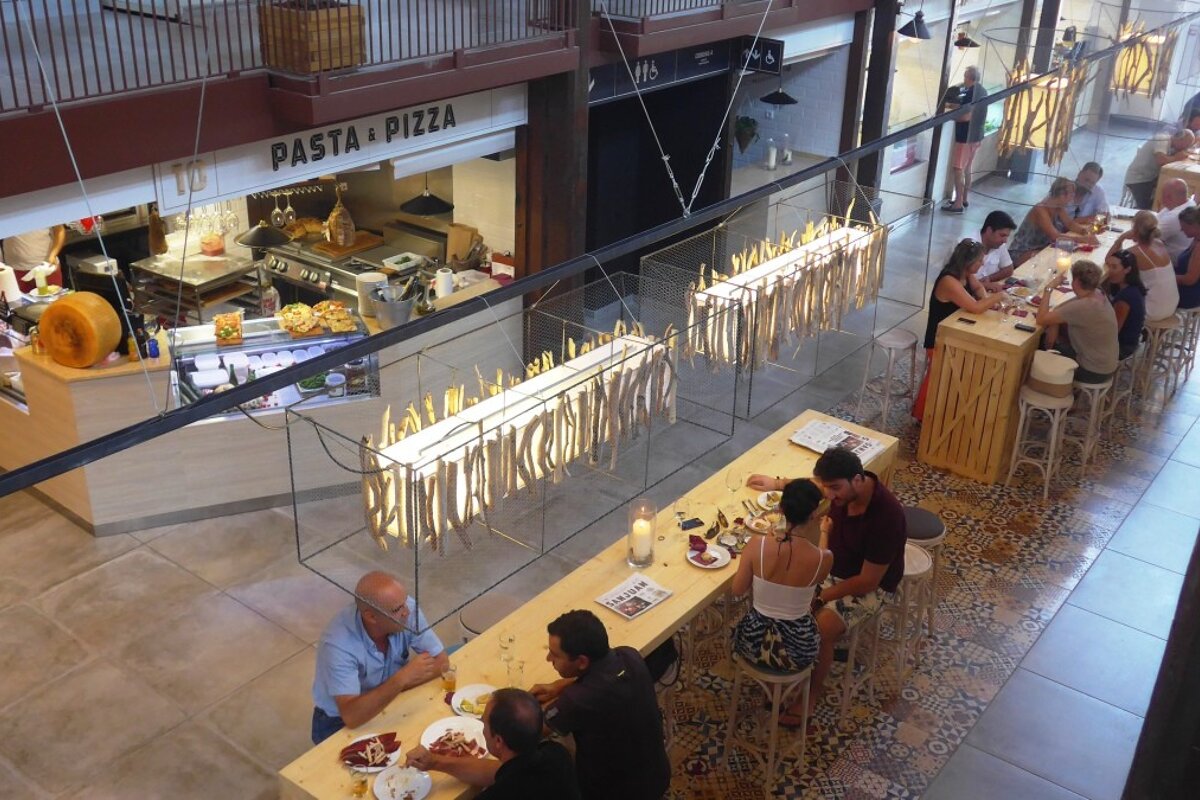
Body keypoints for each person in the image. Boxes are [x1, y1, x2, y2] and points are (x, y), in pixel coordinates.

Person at [747, 447, 907, 718]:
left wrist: (821, 597)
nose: (829, 496)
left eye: (834, 489)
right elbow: (816, 485)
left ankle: (810, 697)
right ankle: (785, 671)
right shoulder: (842, 486)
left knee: (820, 629)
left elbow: (868, 581)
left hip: (869, 586)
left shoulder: (886, 517)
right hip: (833, 568)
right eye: (827, 488)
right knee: (781, 604)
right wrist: (777, 483)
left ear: (857, 479)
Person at [531, 610, 670, 800]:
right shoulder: (629, 656)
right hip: (656, 775)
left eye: (555, 655)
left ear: (581, 661)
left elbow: (532, 733)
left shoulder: (577, 700)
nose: (548, 659)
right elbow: (603, 677)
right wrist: (557, 686)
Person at [730, 478, 833, 728]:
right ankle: (785, 692)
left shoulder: (758, 545)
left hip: (753, 643)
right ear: (813, 515)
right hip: (799, 648)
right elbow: (818, 575)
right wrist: (824, 534)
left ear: (780, 510)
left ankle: (767, 690)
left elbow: (737, 590)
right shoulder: (823, 558)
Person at [311, 571, 449, 744]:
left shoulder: (407, 610)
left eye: (405, 601)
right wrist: (401, 679)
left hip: (390, 699)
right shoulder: (338, 645)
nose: (407, 612)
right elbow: (351, 716)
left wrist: (395, 687)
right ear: (371, 616)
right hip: (338, 720)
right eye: (398, 609)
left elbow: (441, 662)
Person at [405, 689, 580, 799]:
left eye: (485, 724)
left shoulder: (500, 793)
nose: (482, 730)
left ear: (498, 741)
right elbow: (498, 771)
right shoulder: (556, 754)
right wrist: (434, 761)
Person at [912, 240, 1007, 421]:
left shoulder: (966, 274)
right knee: (943, 374)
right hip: (940, 340)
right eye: (980, 261)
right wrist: (998, 297)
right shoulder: (949, 280)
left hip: (957, 331)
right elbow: (975, 307)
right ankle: (925, 414)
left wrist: (985, 296)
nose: (983, 264)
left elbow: (978, 288)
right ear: (968, 261)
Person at [1036, 259, 1119, 382]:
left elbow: (1041, 319)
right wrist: (1054, 324)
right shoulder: (1097, 293)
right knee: (1051, 340)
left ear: (1076, 281)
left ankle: (1041, 388)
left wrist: (1048, 288)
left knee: (1038, 346)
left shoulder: (1084, 306)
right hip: (1106, 364)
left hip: (1092, 371)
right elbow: (1060, 310)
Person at [1008, 177, 1100, 265]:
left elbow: (1070, 224)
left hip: (1042, 248)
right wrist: (1083, 240)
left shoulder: (1058, 208)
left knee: (1067, 254)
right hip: (1022, 252)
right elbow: (1055, 236)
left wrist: (1086, 232)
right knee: (1055, 258)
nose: (1072, 198)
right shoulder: (1040, 209)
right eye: (1071, 194)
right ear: (1062, 195)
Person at [1107, 210, 1179, 321]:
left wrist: (1121, 239)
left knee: (1114, 283)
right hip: (1172, 303)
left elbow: (1109, 260)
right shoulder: (1159, 244)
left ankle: (1115, 323)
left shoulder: (1135, 252)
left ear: (1135, 230)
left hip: (1153, 309)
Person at [941, 66, 988, 213]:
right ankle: (965, 199)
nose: (964, 80)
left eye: (965, 77)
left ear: (970, 78)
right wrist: (952, 105)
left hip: (965, 137)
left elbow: (966, 116)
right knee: (967, 168)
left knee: (958, 169)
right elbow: (966, 108)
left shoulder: (971, 93)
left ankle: (958, 203)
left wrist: (950, 117)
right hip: (977, 136)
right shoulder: (982, 90)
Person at [1124, 128, 1194, 210]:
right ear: (1180, 139)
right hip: (1139, 179)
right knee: (1148, 207)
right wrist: (1176, 157)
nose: (1185, 149)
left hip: (1151, 177)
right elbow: (1161, 160)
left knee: (1172, 190)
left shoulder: (1172, 146)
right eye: (1186, 145)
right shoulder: (1162, 139)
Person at [1104, 250, 1148, 359]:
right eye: (1107, 266)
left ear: (1127, 269)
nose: (1109, 271)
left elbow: (1112, 332)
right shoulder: (1133, 287)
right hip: (1129, 340)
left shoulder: (1125, 298)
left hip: (1122, 347)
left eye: (1114, 267)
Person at [0, 225, 66, 292]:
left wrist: (53, 254)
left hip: (47, 267)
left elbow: (59, 230)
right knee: (22, 301)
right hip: (15, 268)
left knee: (54, 300)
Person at [1156, 178, 1196, 260]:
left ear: (1169, 197)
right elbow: (1157, 218)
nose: (1161, 199)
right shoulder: (1187, 203)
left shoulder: (1176, 216)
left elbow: (1146, 236)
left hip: (1171, 263)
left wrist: (1123, 237)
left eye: (1162, 195)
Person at [976, 210, 1017, 289]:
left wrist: (989, 279)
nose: (1005, 241)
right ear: (989, 231)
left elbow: (1009, 269)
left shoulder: (998, 244)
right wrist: (984, 285)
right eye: (1002, 235)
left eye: (1006, 236)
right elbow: (957, 282)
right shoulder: (967, 245)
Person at [1174, 206, 1200, 310]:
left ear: (1194, 226)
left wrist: (1168, 278)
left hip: (1189, 294)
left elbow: (1190, 279)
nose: (1181, 230)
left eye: (1184, 227)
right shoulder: (1196, 239)